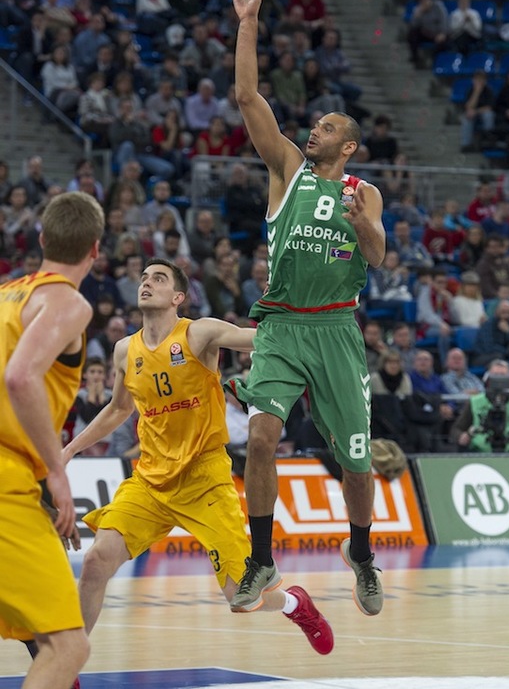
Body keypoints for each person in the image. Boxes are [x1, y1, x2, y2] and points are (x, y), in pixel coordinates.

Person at [63, 258, 333, 656]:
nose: (146, 283)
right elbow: (119, 410)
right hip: (150, 480)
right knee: (97, 561)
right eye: (143, 277)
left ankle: (296, 604)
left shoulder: (198, 333)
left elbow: (256, 339)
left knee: (242, 598)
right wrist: (69, 449)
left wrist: (301, 318)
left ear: (178, 297)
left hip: (204, 478)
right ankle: (67, 665)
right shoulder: (124, 350)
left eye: (158, 278)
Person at [222, 0, 386, 615]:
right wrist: (248, 21)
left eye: (325, 127)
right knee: (262, 437)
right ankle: (262, 559)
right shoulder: (288, 168)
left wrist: (363, 223)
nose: (312, 130)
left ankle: (363, 553)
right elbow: (245, 96)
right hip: (284, 326)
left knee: (357, 463)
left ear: (348, 145)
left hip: (338, 330)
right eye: (312, 124)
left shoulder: (363, 191)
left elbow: (377, 256)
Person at [0, 191, 105, 689]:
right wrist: (57, 472)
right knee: (69, 645)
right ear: (96, 250)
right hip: (7, 478)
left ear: (41, 238)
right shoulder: (68, 302)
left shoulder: (6, 295)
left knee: (41, 637)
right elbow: (20, 378)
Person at [450, 359, 509, 452]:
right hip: (479, 453)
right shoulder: (475, 401)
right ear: (487, 378)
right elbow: (456, 429)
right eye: (495, 375)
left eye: (503, 375)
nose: (499, 380)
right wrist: (461, 436)